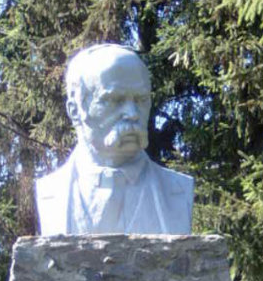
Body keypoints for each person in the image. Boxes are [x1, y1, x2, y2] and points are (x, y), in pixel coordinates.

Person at [35, 44, 193, 235]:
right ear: (75, 111)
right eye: (114, 100)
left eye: (141, 100)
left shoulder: (179, 191)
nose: (133, 114)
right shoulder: (50, 192)